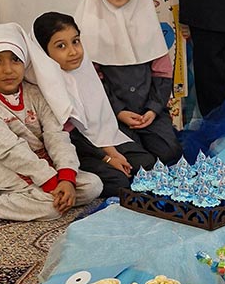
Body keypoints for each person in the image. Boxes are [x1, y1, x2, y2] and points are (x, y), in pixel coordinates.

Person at [0, 23, 102, 220]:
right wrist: (50, 182)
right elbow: (8, 150)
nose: (8, 70)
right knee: (50, 208)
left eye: (15, 59)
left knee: (93, 186)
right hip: (2, 164)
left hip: (41, 162)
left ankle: (39, 197)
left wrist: (66, 177)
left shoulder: (35, 93)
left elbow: (56, 135)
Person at [30, 11, 156, 198]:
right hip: (73, 150)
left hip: (98, 142)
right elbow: (69, 137)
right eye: (61, 46)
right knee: (119, 182)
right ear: (43, 52)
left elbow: (99, 124)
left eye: (75, 41)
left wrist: (111, 151)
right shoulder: (46, 87)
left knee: (147, 162)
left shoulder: (84, 70)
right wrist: (107, 158)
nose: (73, 52)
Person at [75, 0, 183, 165]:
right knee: (139, 161)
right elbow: (91, 82)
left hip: (149, 111)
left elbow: (162, 73)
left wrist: (153, 109)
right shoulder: (88, 26)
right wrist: (119, 111)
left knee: (170, 153)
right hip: (110, 115)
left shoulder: (146, 21)